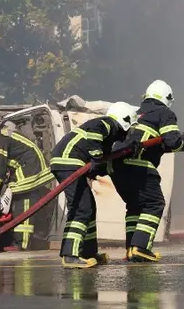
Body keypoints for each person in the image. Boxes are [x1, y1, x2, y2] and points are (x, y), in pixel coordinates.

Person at [110, 80, 184, 263]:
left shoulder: (137, 113)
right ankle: (141, 248)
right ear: (168, 99)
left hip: (117, 167)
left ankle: (131, 249)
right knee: (154, 204)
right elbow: (172, 141)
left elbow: (160, 145)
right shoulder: (164, 113)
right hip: (138, 166)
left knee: (135, 207)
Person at [50, 101, 138, 268]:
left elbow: (102, 160)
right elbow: (95, 139)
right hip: (68, 161)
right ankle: (70, 255)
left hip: (70, 162)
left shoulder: (108, 133)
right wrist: (96, 158)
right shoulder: (106, 123)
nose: (127, 133)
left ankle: (89, 252)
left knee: (88, 208)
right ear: (125, 120)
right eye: (129, 126)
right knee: (81, 208)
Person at [0, 120, 55, 251]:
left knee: (23, 202)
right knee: (19, 201)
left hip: (30, 167)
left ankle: (22, 244)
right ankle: (20, 241)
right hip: (27, 166)